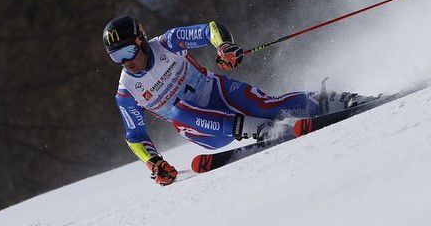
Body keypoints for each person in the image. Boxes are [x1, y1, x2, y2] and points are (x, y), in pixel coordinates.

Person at [104, 16, 366, 186]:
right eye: (117, 57)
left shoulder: (167, 44)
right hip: (204, 128)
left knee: (270, 107)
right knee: (178, 112)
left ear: (141, 40)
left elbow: (209, 30)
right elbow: (135, 136)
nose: (126, 62)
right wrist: (155, 163)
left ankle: (334, 100)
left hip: (218, 91)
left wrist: (223, 46)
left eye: (127, 51)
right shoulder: (127, 91)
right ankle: (259, 129)